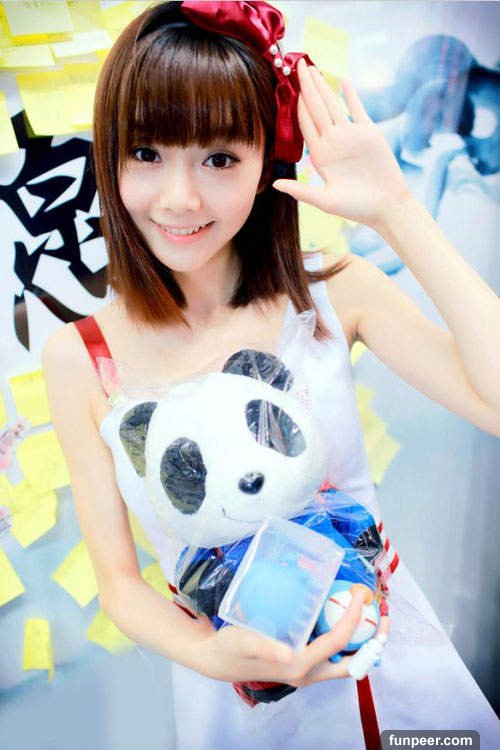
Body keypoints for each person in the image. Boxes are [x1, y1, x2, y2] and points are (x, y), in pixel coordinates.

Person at [41, 2, 500, 748]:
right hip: (236, 700)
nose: (180, 198)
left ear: (265, 166)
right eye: (147, 153)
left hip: (393, 676)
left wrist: (395, 210)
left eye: (220, 158)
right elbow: (118, 582)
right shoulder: (82, 355)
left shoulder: (330, 295)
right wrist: (208, 654)